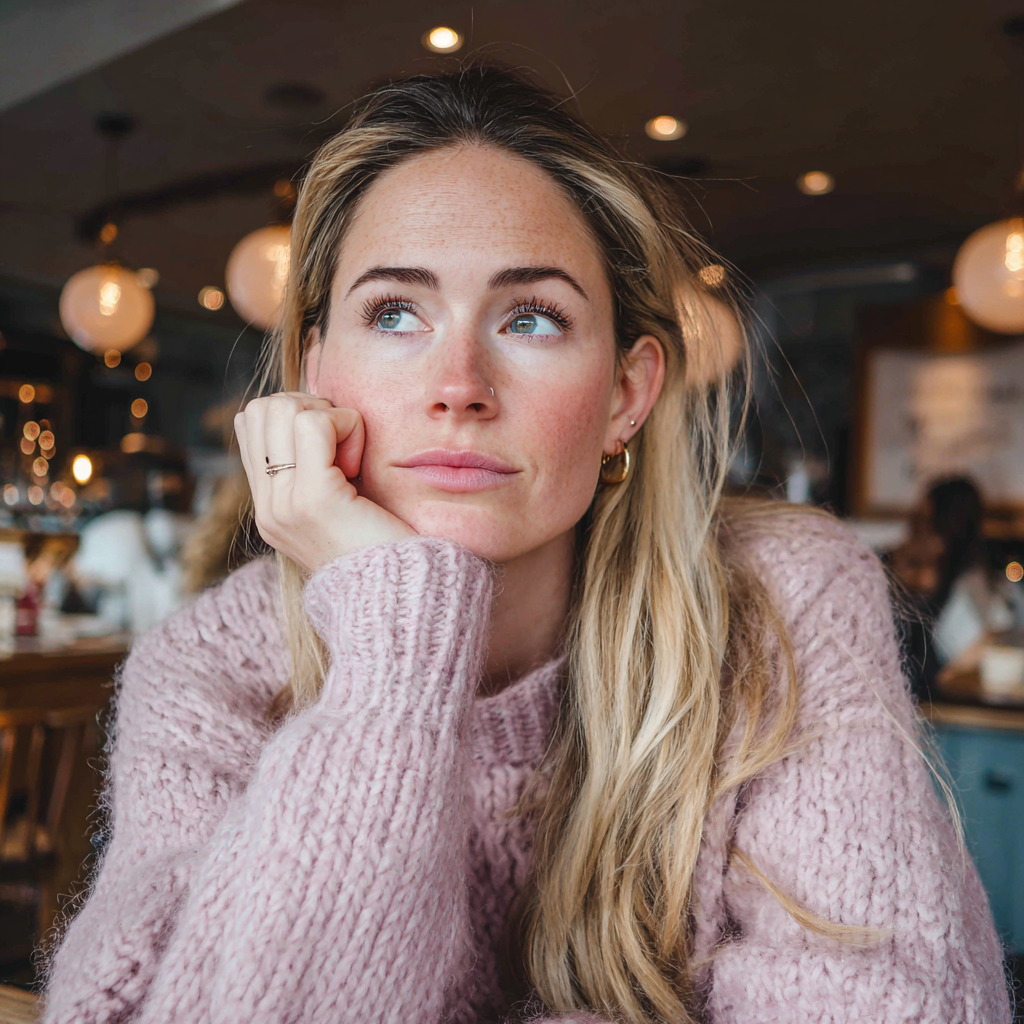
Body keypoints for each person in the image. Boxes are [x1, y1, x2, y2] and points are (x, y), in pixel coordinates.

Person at [41, 65, 1008, 1023]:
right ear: (313, 369)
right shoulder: (212, 670)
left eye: (533, 318)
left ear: (626, 395)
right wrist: (392, 643)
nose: (459, 382)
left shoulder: (785, 606)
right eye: (394, 313)